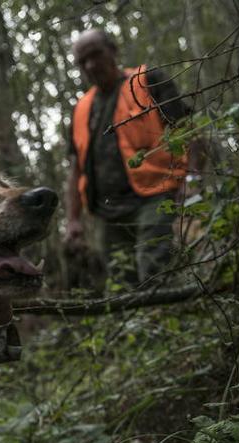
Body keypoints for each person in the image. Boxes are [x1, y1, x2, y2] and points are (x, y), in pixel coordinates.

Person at [65, 29, 200, 286]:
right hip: (108, 212)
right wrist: (73, 220)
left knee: (154, 268)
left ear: (113, 51)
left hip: (155, 195)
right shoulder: (81, 109)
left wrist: (191, 179)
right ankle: (141, 324)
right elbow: (75, 169)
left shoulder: (148, 81)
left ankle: (171, 317)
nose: (91, 65)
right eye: (83, 61)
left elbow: (188, 130)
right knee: (121, 282)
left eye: (96, 55)